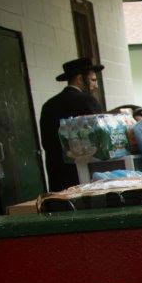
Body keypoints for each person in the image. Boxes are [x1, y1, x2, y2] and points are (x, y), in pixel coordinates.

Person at [39, 57, 104, 191]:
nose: (95, 85)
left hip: (58, 176)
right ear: (80, 79)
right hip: (86, 176)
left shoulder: (48, 105)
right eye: (93, 80)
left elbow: (46, 143)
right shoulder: (87, 101)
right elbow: (101, 138)